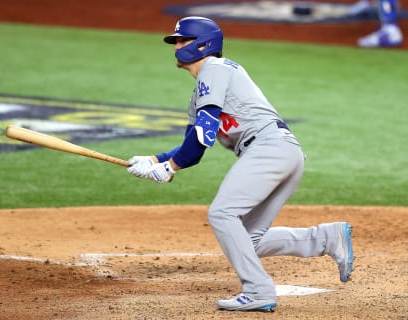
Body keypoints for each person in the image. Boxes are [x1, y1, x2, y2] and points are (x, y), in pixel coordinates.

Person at [126, 16, 354, 312]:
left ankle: (258, 290)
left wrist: (170, 169)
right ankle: (326, 237)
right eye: (176, 42)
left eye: (182, 41)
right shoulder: (202, 92)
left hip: (268, 149)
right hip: (283, 152)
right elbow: (193, 148)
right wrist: (155, 160)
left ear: (203, 44)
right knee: (249, 239)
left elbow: (204, 134)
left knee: (222, 215)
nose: (177, 46)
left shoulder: (214, 69)